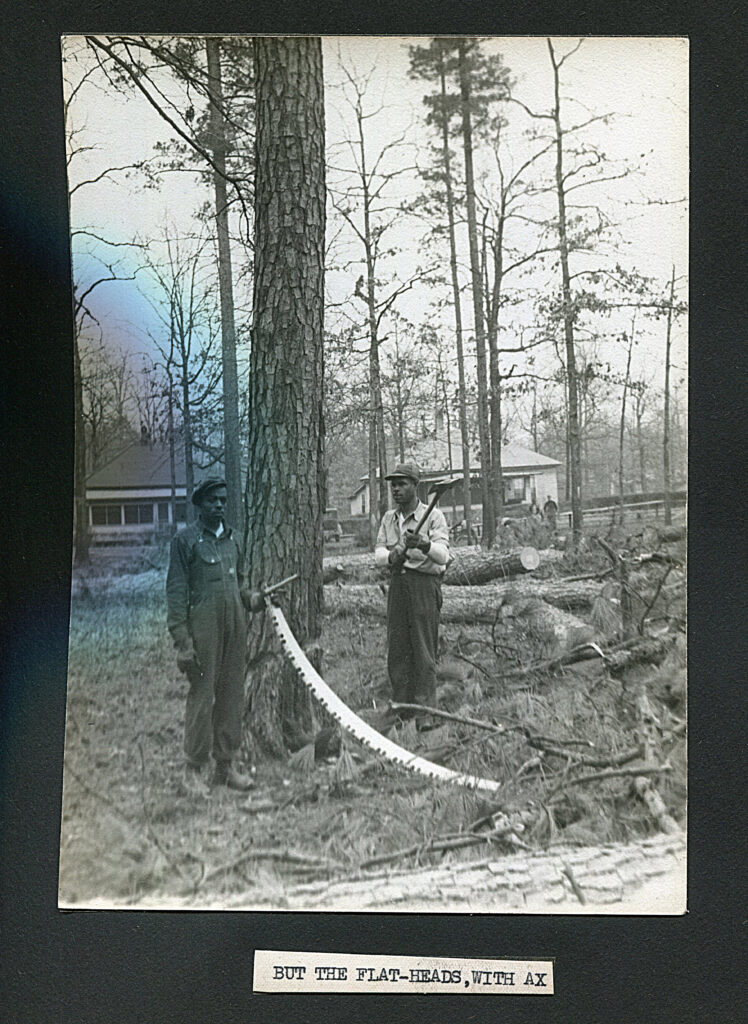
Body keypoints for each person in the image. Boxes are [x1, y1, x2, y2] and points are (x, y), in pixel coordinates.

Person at [166, 477, 258, 793]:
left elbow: (242, 585)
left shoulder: (235, 540)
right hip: (203, 632)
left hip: (235, 630)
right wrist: (182, 642)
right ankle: (192, 771)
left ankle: (225, 766)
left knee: (232, 696)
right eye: (212, 501)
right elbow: (176, 594)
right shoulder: (185, 541)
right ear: (199, 505)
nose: (219, 505)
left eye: (222, 500)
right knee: (202, 698)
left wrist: (253, 599)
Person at [374, 462, 450, 721]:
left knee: (423, 649)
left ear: (415, 486)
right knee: (398, 649)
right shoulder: (388, 518)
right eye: (393, 485)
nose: (396, 489)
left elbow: (443, 556)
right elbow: (378, 552)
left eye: (402, 484)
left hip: (424, 587)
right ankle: (400, 708)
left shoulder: (434, 516)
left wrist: (426, 545)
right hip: (398, 586)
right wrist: (391, 555)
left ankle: (425, 712)